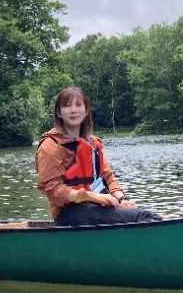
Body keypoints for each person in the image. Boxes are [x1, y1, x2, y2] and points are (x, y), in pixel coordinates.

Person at [35, 86, 162, 226]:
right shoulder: (50, 146)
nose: (73, 110)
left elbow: (108, 179)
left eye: (78, 105)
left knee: (140, 212)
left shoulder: (93, 143)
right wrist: (92, 196)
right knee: (141, 216)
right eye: (67, 106)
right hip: (69, 213)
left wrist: (121, 200)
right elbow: (53, 190)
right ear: (59, 113)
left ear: (86, 110)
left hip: (96, 206)